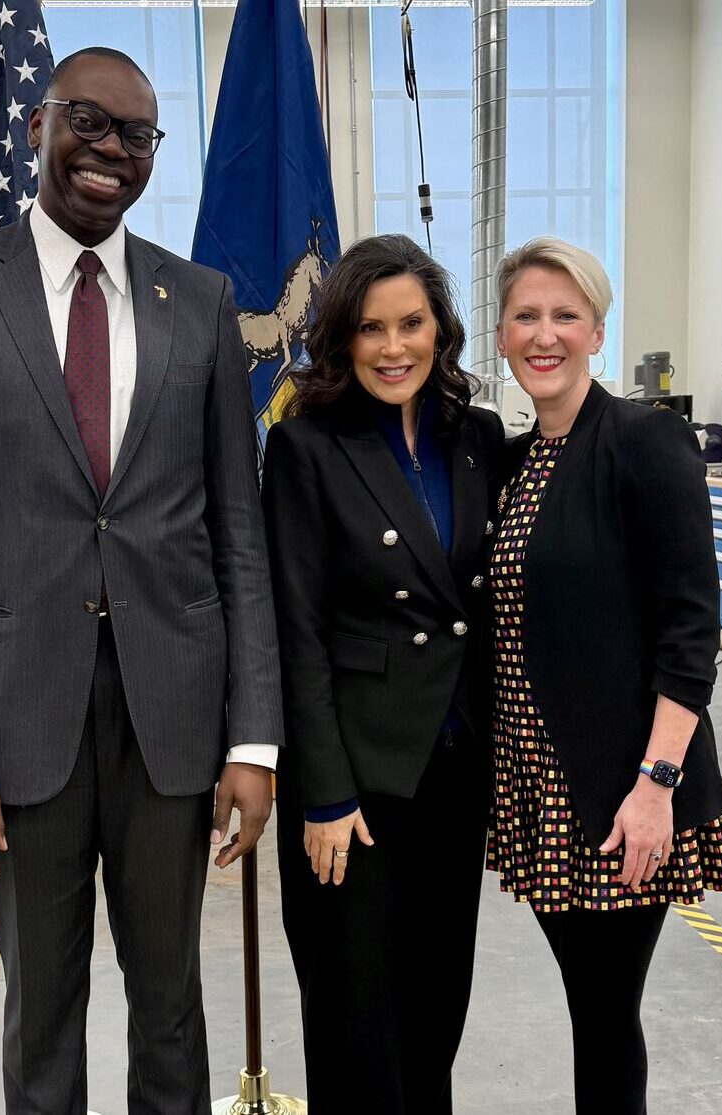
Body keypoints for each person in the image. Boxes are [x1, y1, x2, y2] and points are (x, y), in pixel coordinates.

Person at [0, 47, 283, 1115]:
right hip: (16, 731)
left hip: (173, 721)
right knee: (42, 1008)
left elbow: (238, 534)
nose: (109, 151)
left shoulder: (200, 300)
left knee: (171, 1004)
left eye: (136, 136)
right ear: (36, 125)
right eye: (88, 123)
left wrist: (253, 738)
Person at [485, 236, 722, 1114]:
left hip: (623, 791)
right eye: (527, 315)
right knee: (589, 1003)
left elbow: (690, 629)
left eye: (565, 315)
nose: (544, 333)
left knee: (603, 1010)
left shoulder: (645, 440)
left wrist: (655, 782)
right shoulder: (515, 464)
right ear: (501, 332)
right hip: (539, 785)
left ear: (597, 331)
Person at [261, 234, 504, 1112]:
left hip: (453, 772)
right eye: (371, 328)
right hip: (356, 784)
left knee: (437, 1011)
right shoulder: (306, 449)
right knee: (358, 1022)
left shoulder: (476, 437)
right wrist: (322, 793)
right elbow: (296, 634)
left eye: (412, 323)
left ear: (440, 328)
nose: (394, 346)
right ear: (341, 338)